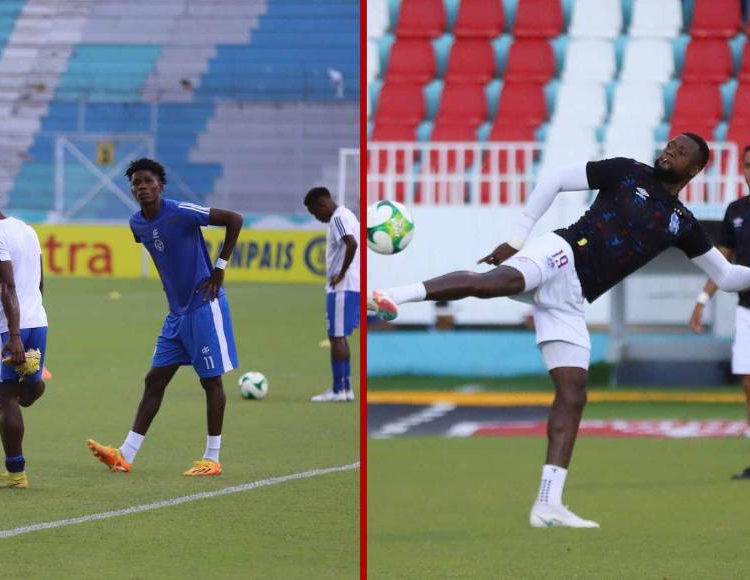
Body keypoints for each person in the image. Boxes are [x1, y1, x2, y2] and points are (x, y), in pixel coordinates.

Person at [369, 133, 750, 527]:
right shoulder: (627, 171)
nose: (670, 150)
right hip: (561, 252)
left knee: (573, 393)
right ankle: (393, 295)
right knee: (496, 283)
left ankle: (547, 504)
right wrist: (517, 238)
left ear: (695, 168)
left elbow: (726, 276)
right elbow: (554, 179)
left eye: (681, 151)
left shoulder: (682, 222)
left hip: (573, 298)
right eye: (670, 144)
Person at [87, 158, 243, 476]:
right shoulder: (137, 224)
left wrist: (219, 269)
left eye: (148, 181)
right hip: (176, 314)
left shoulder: (182, 211)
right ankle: (125, 454)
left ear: (160, 185)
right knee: (154, 380)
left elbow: (234, 219)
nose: (142, 187)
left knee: (211, 381)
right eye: (136, 183)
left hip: (203, 306)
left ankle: (212, 458)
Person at [0, 187, 47, 489]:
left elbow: (7, 286)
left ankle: (15, 473)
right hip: (37, 321)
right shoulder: (27, 230)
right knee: (21, 396)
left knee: (4, 399)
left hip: (5, 329)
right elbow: (40, 280)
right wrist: (29, 324)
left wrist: (15, 335)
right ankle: (34, 382)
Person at [688, 145, 750, 479]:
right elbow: (722, 261)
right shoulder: (736, 210)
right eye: (748, 165)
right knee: (748, 383)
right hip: (747, 309)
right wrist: (702, 298)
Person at [304, 186, 359, 402]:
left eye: (314, 213)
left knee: (336, 337)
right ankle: (344, 389)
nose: (316, 218)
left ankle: (339, 390)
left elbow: (352, 244)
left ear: (322, 205)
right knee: (338, 337)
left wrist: (340, 274)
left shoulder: (338, 218)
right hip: (349, 286)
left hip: (342, 286)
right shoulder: (348, 215)